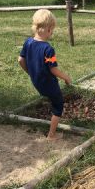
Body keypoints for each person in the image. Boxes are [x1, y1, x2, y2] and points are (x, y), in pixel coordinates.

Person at [18, 9, 72, 140]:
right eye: (52, 29)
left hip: (36, 81)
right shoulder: (48, 49)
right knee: (58, 104)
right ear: (48, 29)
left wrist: (30, 73)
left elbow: (20, 60)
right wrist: (66, 77)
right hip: (48, 83)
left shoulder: (28, 42)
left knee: (50, 98)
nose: (52, 32)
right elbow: (53, 69)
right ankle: (51, 135)